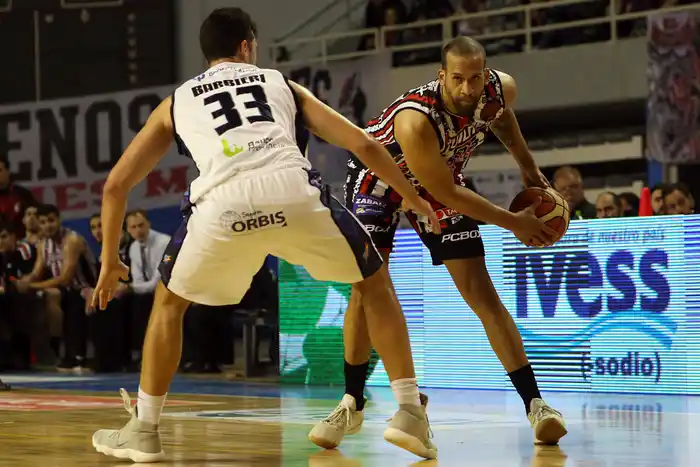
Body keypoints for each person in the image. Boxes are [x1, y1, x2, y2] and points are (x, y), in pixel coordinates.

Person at [90, 7, 445, 463]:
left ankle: (144, 429)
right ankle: (410, 410)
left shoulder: (176, 101)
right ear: (246, 46)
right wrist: (412, 197)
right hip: (292, 193)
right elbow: (362, 143)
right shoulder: (281, 84)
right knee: (373, 283)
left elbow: (116, 185)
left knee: (169, 305)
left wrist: (109, 259)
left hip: (223, 206)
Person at [309, 36, 565, 449]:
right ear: (441, 76)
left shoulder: (500, 89)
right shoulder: (416, 119)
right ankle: (351, 402)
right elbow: (445, 192)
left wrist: (528, 166)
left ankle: (536, 404)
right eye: (458, 79)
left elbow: (501, 117)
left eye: (475, 79)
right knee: (365, 288)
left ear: (486, 74)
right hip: (380, 179)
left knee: (481, 292)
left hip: (440, 178)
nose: (467, 88)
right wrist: (513, 223)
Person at [17, 204, 98, 372]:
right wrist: (23, 281)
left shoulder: (71, 240)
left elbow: (65, 277)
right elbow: (36, 272)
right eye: (43, 222)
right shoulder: (43, 245)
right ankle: (50, 352)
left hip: (88, 287)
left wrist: (31, 286)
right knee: (44, 298)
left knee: (74, 298)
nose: (48, 225)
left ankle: (78, 356)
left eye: (51, 220)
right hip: (66, 290)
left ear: (59, 220)